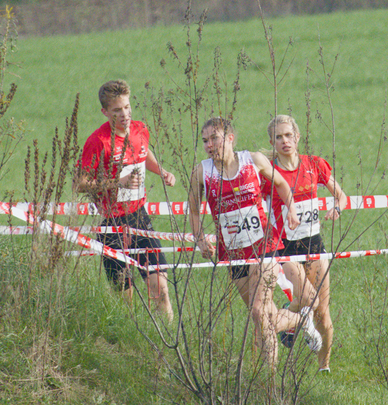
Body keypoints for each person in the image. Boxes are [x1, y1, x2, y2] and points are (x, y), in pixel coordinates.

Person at [187, 116, 321, 369]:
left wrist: (291, 209)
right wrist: (199, 239)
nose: (209, 145)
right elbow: (194, 210)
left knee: (261, 311)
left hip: (264, 246)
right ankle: (273, 369)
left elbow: (281, 183)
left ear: (230, 138)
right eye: (205, 141)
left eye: (214, 138)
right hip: (232, 252)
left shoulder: (253, 161)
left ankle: (268, 378)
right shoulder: (201, 172)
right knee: (262, 318)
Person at [75, 80, 176, 320]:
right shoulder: (98, 141)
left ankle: (170, 344)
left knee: (161, 290)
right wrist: (116, 183)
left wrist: (161, 171)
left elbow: (144, 152)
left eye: (127, 107)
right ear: (105, 112)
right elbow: (80, 183)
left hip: (140, 218)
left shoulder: (140, 129)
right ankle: (132, 344)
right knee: (126, 303)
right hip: (112, 224)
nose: (125, 115)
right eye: (117, 110)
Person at [264, 114, 347, 372]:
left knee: (322, 311)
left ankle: (324, 368)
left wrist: (337, 209)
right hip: (286, 247)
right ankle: (292, 322)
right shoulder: (268, 172)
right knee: (308, 297)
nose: (285, 141)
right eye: (278, 137)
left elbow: (342, 196)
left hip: (314, 244)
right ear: (272, 142)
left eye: (289, 135)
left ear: (297, 137)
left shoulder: (313, 165)